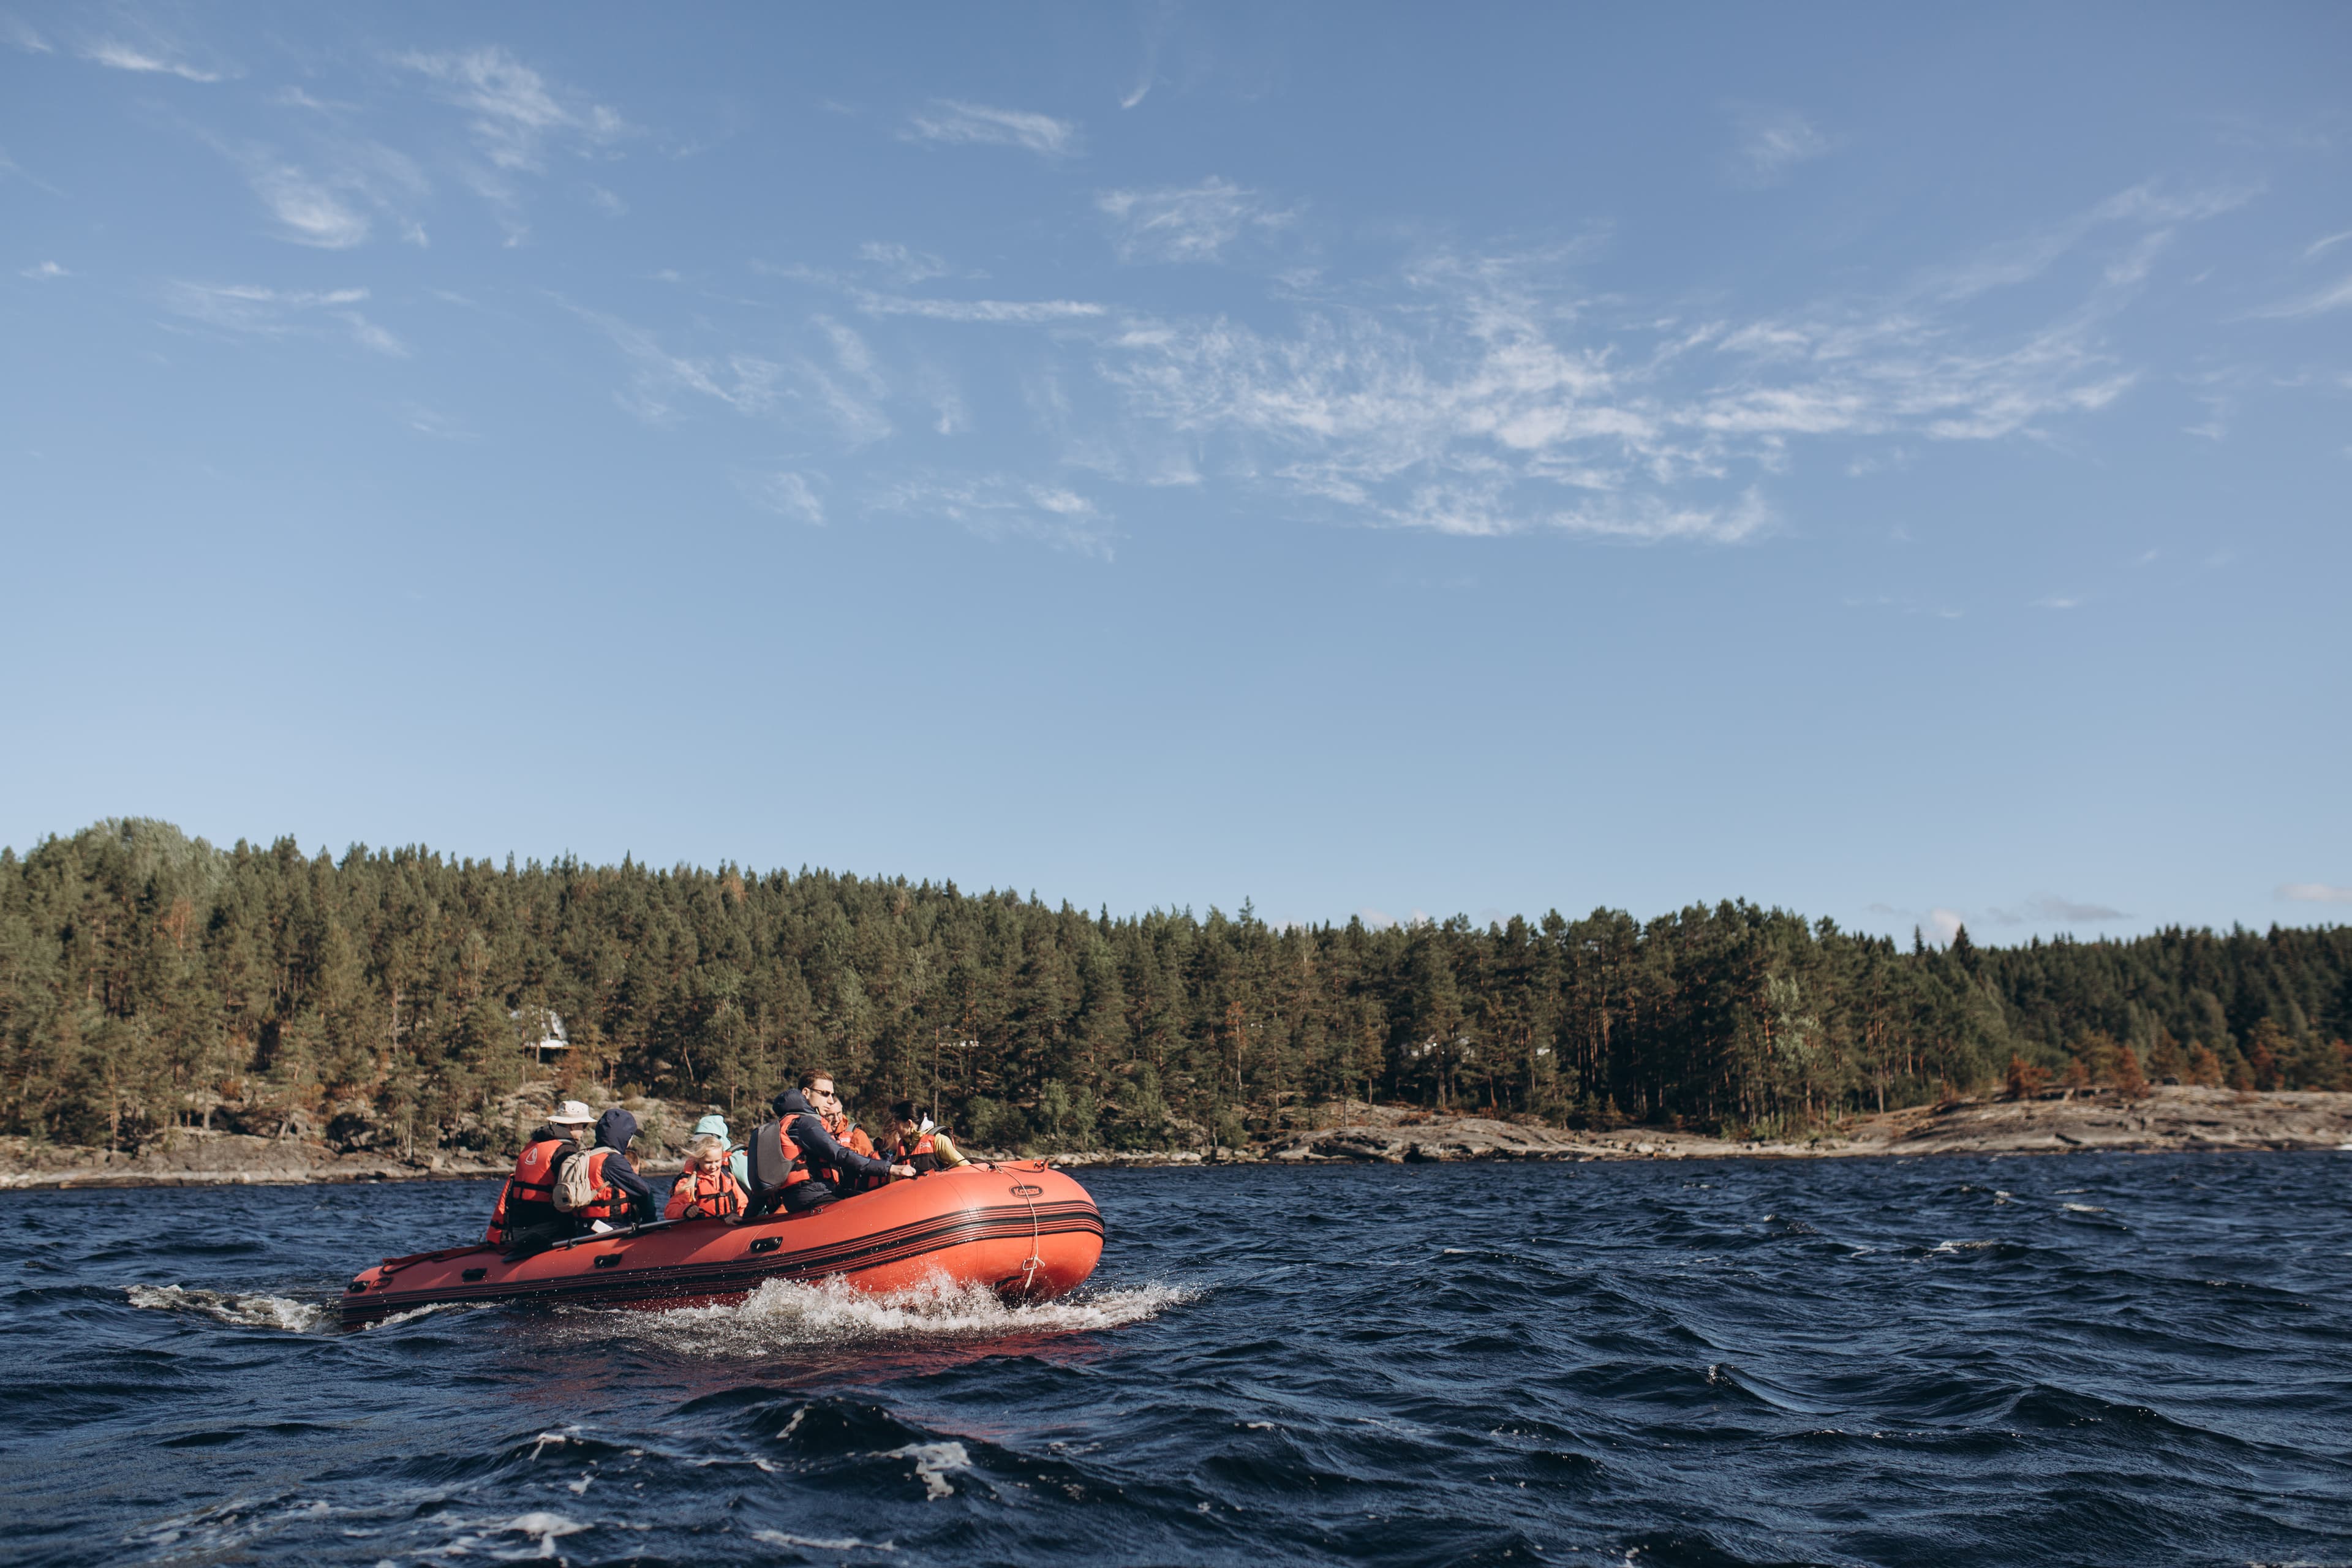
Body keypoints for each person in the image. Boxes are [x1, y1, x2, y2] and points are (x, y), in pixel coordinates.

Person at [745, 1070, 912, 1215]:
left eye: (832, 1094)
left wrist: (747, 1217)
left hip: (803, 1198)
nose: (831, 1100)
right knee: (877, 1209)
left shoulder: (786, 1123)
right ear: (806, 1093)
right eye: (825, 1094)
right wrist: (890, 1168)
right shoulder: (805, 1124)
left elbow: (767, 1177)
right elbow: (840, 1154)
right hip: (816, 1196)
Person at [485, 1099, 598, 1247]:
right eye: (584, 1126)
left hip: (518, 1228)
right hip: (546, 1229)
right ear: (573, 1125)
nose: (584, 1131)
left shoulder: (533, 1144)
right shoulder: (566, 1151)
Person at [570, 1107, 661, 1231]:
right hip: (611, 1227)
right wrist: (651, 1224)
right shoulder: (613, 1160)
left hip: (581, 1226)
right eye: (631, 1136)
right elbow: (644, 1191)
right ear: (624, 1137)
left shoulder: (586, 1155)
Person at [663, 1133, 748, 1221]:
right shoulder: (688, 1182)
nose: (713, 1166)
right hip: (701, 1230)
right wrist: (686, 1210)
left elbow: (743, 1203)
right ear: (698, 1160)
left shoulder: (728, 1178)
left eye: (717, 1161)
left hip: (728, 1227)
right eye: (708, 1162)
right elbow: (669, 1210)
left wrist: (743, 1218)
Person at [883, 1101, 970, 1173]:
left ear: (909, 1123)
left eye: (897, 1124)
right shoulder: (902, 1145)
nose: (895, 1127)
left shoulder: (938, 1140)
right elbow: (895, 1179)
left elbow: (966, 1167)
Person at [692, 1112, 748, 1189]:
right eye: (698, 1141)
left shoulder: (738, 1159)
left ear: (720, 1138)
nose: (702, 1144)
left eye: (707, 1141)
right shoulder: (696, 1161)